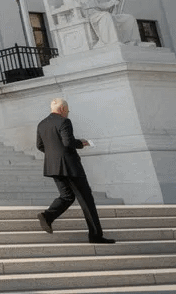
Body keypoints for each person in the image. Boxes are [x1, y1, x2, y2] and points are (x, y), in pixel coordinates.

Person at [37, 98, 113, 243]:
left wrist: (54, 155)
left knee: (66, 196)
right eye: (67, 110)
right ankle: (95, 235)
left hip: (53, 166)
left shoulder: (41, 124)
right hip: (70, 166)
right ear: (62, 109)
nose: (67, 113)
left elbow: (39, 145)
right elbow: (68, 142)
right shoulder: (64, 122)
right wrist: (82, 143)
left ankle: (47, 216)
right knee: (86, 199)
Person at [61, 0, 141, 46]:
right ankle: (111, 42)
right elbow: (71, 8)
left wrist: (112, 2)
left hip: (98, 14)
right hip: (87, 16)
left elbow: (99, 6)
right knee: (105, 16)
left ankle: (130, 41)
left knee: (128, 18)